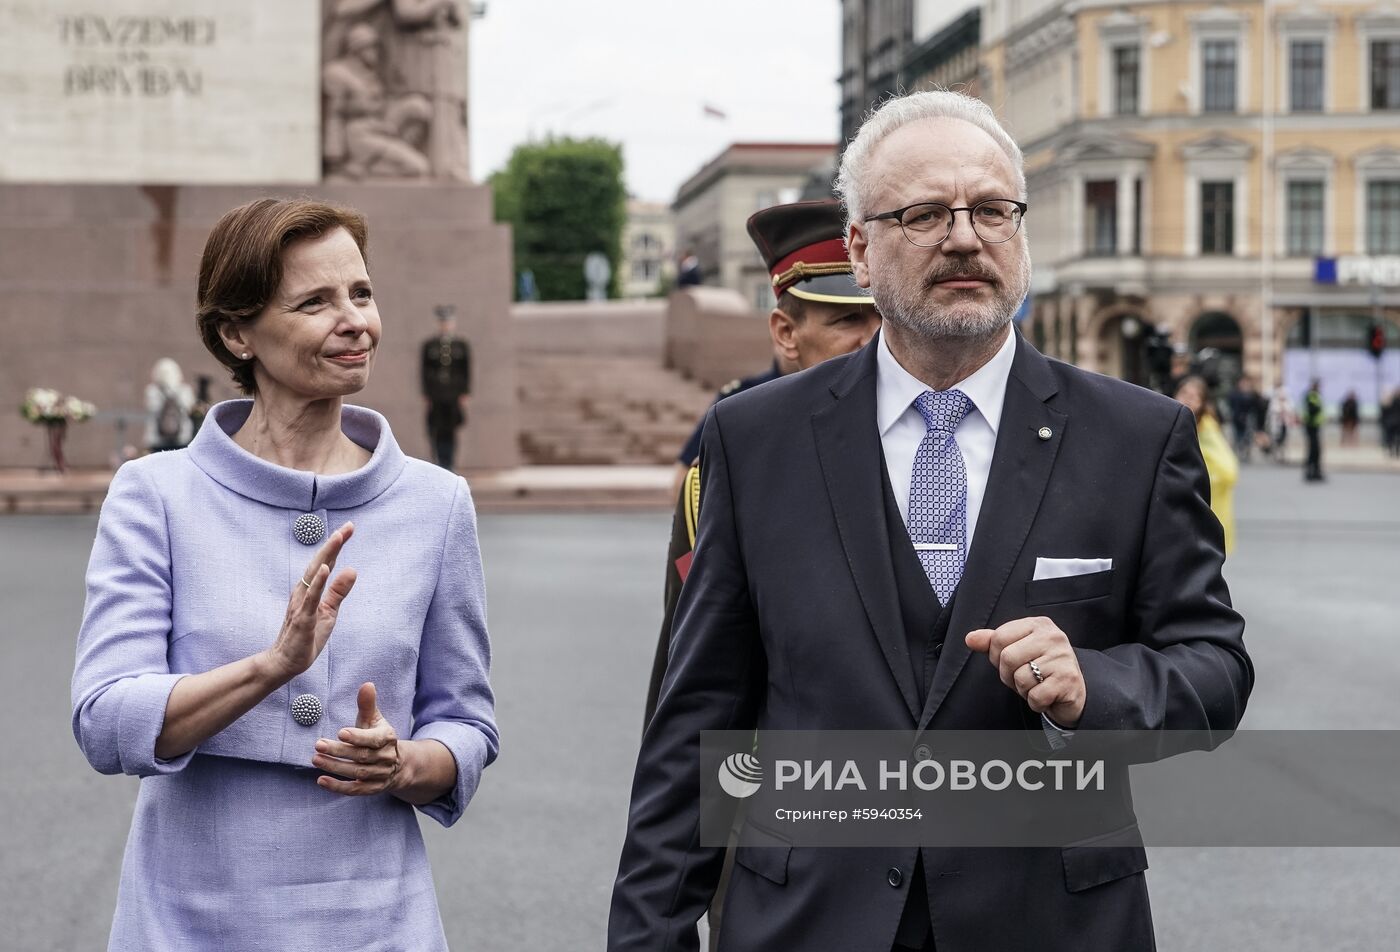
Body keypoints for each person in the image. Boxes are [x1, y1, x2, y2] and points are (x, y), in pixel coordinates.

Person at [609, 90, 1252, 952]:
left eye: (991, 209)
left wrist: (1094, 688)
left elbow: (1214, 669)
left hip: (1053, 924)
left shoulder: (1138, 438)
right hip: (807, 922)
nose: (963, 235)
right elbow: (695, 721)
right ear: (860, 252)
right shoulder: (756, 441)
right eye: (922, 214)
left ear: (1019, 236)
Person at [71, 199, 498, 950]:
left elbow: (465, 724)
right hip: (188, 919)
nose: (355, 321)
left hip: (378, 921)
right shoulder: (156, 495)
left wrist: (404, 764)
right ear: (237, 333)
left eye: (361, 294)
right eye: (315, 302)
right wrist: (272, 668)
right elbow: (106, 722)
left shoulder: (437, 504)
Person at [647, 199, 882, 725]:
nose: (872, 340)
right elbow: (695, 665)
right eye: (847, 319)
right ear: (786, 333)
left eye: (884, 317)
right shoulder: (738, 452)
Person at [1176, 376, 1239, 553]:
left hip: (1199, 511)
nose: (1188, 398)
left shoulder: (1205, 428)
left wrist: (1197, 483)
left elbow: (1229, 471)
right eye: (1184, 393)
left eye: (1195, 396)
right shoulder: (1177, 422)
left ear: (1203, 403)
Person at [421, 303, 472, 469]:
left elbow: (466, 370)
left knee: (451, 430)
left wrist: (464, 393)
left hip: (453, 394)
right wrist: (426, 393)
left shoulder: (461, 345)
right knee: (435, 429)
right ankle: (439, 462)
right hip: (436, 394)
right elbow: (424, 371)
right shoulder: (430, 345)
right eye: (443, 322)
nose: (446, 325)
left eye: (448, 321)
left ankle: (449, 463)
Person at [143, 357, 195, 452]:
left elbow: (153, 410)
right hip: (182, 438)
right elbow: (189, 410)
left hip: (157, 439)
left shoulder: (152, 391)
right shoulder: (185, 391)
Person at [1226, 375, 1263, 461]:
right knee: (1238, 436)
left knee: (1248, 436)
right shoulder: (1235, 394)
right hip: (1237, 419)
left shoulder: (1253, 394)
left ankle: (1246, 451)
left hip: (1248, 419)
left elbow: (1258, 406)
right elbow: (1231, 403)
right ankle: (1239, 451)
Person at [1265, 383, 1295, 463]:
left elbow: (1290, 411)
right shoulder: (1274, 403)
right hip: (1276, 424)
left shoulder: (1288, 403)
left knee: (1284, 440)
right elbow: (1272, 412)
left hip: (1285, 424)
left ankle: (1283, 455)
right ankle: (1276, 454)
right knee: (1276, 440)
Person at [1303, 379, 1326, 482]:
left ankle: (1316, 471)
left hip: (1315, 426)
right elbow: (1311, 409)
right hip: (1311, 426)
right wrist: (1317, 408)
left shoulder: (1315, 395)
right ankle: (1310, 472)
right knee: (1313, 450)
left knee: (1316, 450)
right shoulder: (1311, 395)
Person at [1382, 388, 1400, 459]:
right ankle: (1396, 452)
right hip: (1397, 422)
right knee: (1397, 438)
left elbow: (1384, 412)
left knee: (1390, 438)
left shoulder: (1389, 402)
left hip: (1390, 422)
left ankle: (1391, 452)